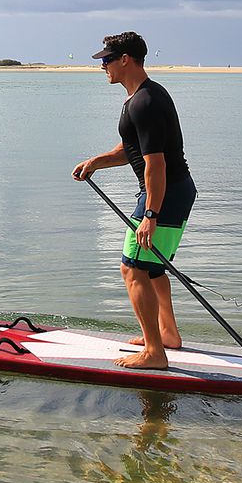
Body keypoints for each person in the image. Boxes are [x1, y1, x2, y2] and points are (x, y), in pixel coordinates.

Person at [71, 31, 197, 369]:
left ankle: (155, 352)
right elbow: (133, 151)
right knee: (153, 269)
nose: (103, 67)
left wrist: (150, 214)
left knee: (133, 269)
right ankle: (167, 334)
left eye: (106, 60)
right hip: (173, 191)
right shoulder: (144, 97)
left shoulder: (145, 102)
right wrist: (97, 161)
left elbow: (156, 163)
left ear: (125, 59)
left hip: (164, 194)